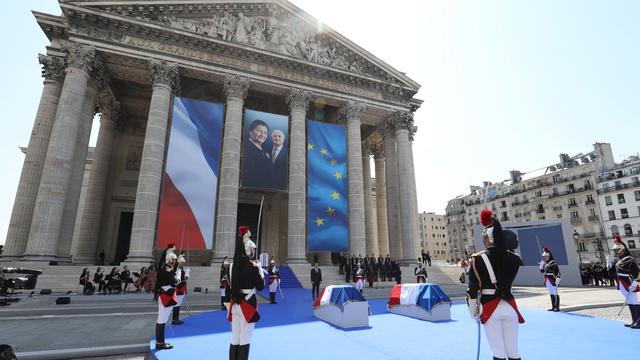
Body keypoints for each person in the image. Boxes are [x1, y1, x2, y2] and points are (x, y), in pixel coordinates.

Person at [467, 209, 524, 360]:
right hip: (510, 307)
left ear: (487, 237)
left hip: (490, 308)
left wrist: (473, 313)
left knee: (498, 353)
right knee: (513, 352)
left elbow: (472, 289)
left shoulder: (477, 259)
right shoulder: (514, 258)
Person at [228, 226, 265, 360]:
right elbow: (260, 287)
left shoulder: (232, 266)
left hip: (235, 304)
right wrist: (259, 270)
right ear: (248, 250)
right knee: (245, 338)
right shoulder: (252, 267)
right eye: (253, 250)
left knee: (235, 337)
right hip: (247, 304)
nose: (254, 252)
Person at [612, 235, 640, 328]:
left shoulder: (630, 259)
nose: (616, 252)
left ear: (622, 249)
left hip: (629, 283)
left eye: (617, 250)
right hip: (622, 283)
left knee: (634, 301)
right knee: (630, 302)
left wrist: (634, 284)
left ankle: (638, 321)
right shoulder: (618, 260)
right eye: (614, 250)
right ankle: (634, 320)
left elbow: (637, 273)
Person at [155, 252, 178, 350]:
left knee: (162, 319)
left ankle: (160, 342)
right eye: (173, 259)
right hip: (166, 295)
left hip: (165, 294)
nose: (174, 261)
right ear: (168, 259)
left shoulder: (167, 268)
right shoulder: (166, 269)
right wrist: (176, 280)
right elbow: (172, 281)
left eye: (175, 259)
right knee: (162, 319)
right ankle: (160, 343)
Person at [242, 120, 273, 188]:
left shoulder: (265, 151)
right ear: (250, 132)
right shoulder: (245, 148)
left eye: (265, 133)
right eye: (259, 131)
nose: (262, 135)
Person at [539, 247, 561, 311]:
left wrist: (558, 280)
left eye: (545, 257)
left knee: (555, 293)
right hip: (547, 279)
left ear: (548, 256)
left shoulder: (553, 263)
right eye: (544, 257)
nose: (544, 258)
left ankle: (557, 307)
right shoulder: (545, 263)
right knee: (551, 293)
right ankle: (553, 307)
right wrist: (541, 266)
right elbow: (542, 272)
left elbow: (558, 273)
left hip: (552, 279)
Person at [173, 254, 190, 325]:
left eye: (183, 262)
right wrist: (186, 275)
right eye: (182, 262)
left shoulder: (181, 269)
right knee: (177, 304)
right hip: (179, 288)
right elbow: (180, 279)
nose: (183, 263)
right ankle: (175, 319)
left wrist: (186, 274)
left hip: (181, 288)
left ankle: (176, 318)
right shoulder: (178, 269)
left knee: (178, 304)